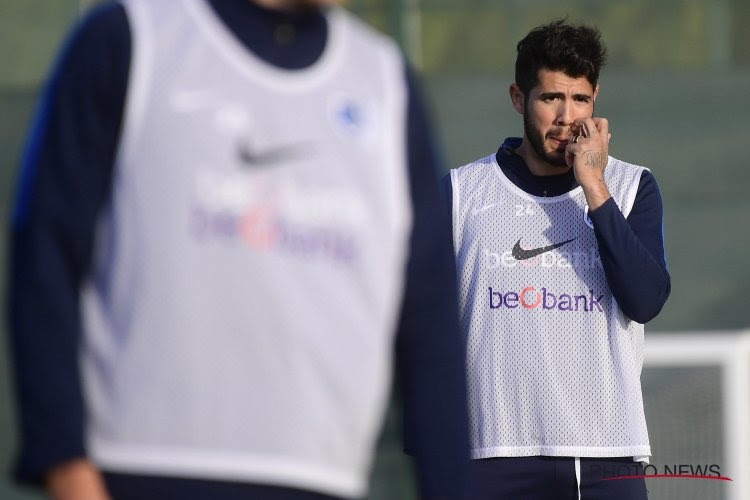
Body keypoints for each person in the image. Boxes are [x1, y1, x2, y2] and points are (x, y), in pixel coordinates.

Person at [7, 1, 470, 499]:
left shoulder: (384, 79)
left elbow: (429, 328)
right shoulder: (131, 37)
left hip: (319, 482)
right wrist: (66, 464)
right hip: (134, 469)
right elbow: (45, 261)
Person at [443, 20, 671, 500]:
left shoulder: (631, 188)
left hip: (607, 456)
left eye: (581, 100)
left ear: (596, 102)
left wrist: (594, 185)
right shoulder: (462, 192)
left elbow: (646, 300)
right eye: (551, 98)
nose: (567, 116)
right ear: (518, 98)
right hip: (490, 454)